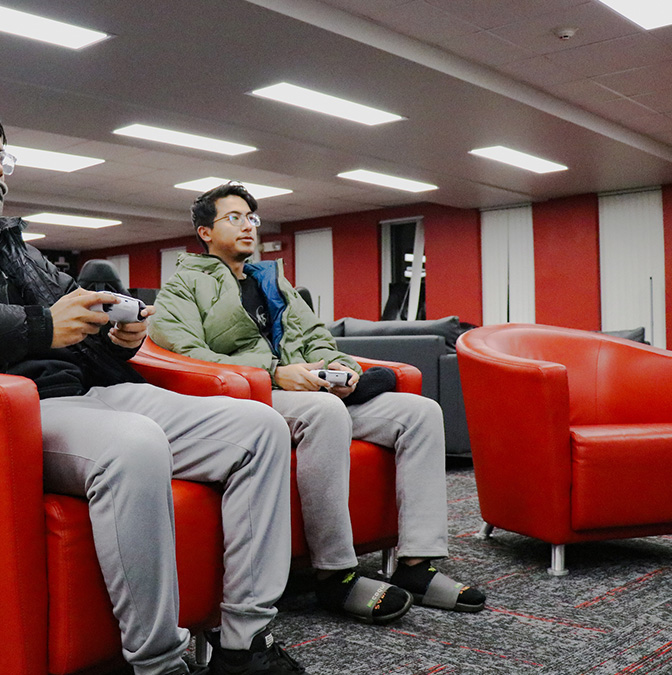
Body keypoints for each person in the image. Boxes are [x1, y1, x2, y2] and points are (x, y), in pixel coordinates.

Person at [0, 108, 305, 675]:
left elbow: (75, 320)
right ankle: (158, 661)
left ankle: (243, 643)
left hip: (86, 394)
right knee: (134, 445)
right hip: (5, 411)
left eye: (1, 154)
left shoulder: (15, 244)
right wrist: (36, 326)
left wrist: (118, 337)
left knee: (259, 428)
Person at [149, 182, 485, 625]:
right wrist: (273, 373)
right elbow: (188, 354)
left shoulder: (273, 281)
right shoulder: (181, 287)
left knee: (421, 413)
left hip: (310, 388)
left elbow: (318, 340)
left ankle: (416, 564)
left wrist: (341, 370)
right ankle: (336, 575)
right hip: (256, 397)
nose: (248, 225)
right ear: (205, 232)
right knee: (326, 413)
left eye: (252, 218)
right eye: (235, 217)